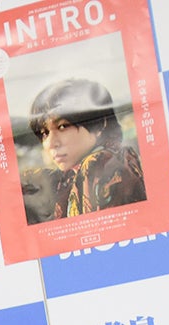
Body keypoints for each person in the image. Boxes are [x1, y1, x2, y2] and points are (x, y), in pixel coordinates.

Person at [23, 77, 146, 221]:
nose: (50, 143)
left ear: (98, 125)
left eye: (63, 126)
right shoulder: (69, 178)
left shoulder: (100, 166)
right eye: (44, 133)